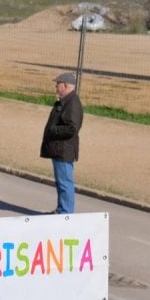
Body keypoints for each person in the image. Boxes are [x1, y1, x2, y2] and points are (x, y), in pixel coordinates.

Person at [39, 71, 84, 214]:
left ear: (64, 85)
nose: (56, 87)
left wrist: (53, 130)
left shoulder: (72, 103)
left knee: (65, 183)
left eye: (57, 84)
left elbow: (72, 129)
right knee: (61, 182)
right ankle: (61, 210)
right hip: (58, 149)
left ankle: (66, 213)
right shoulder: (64, 101)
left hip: (63, 150)